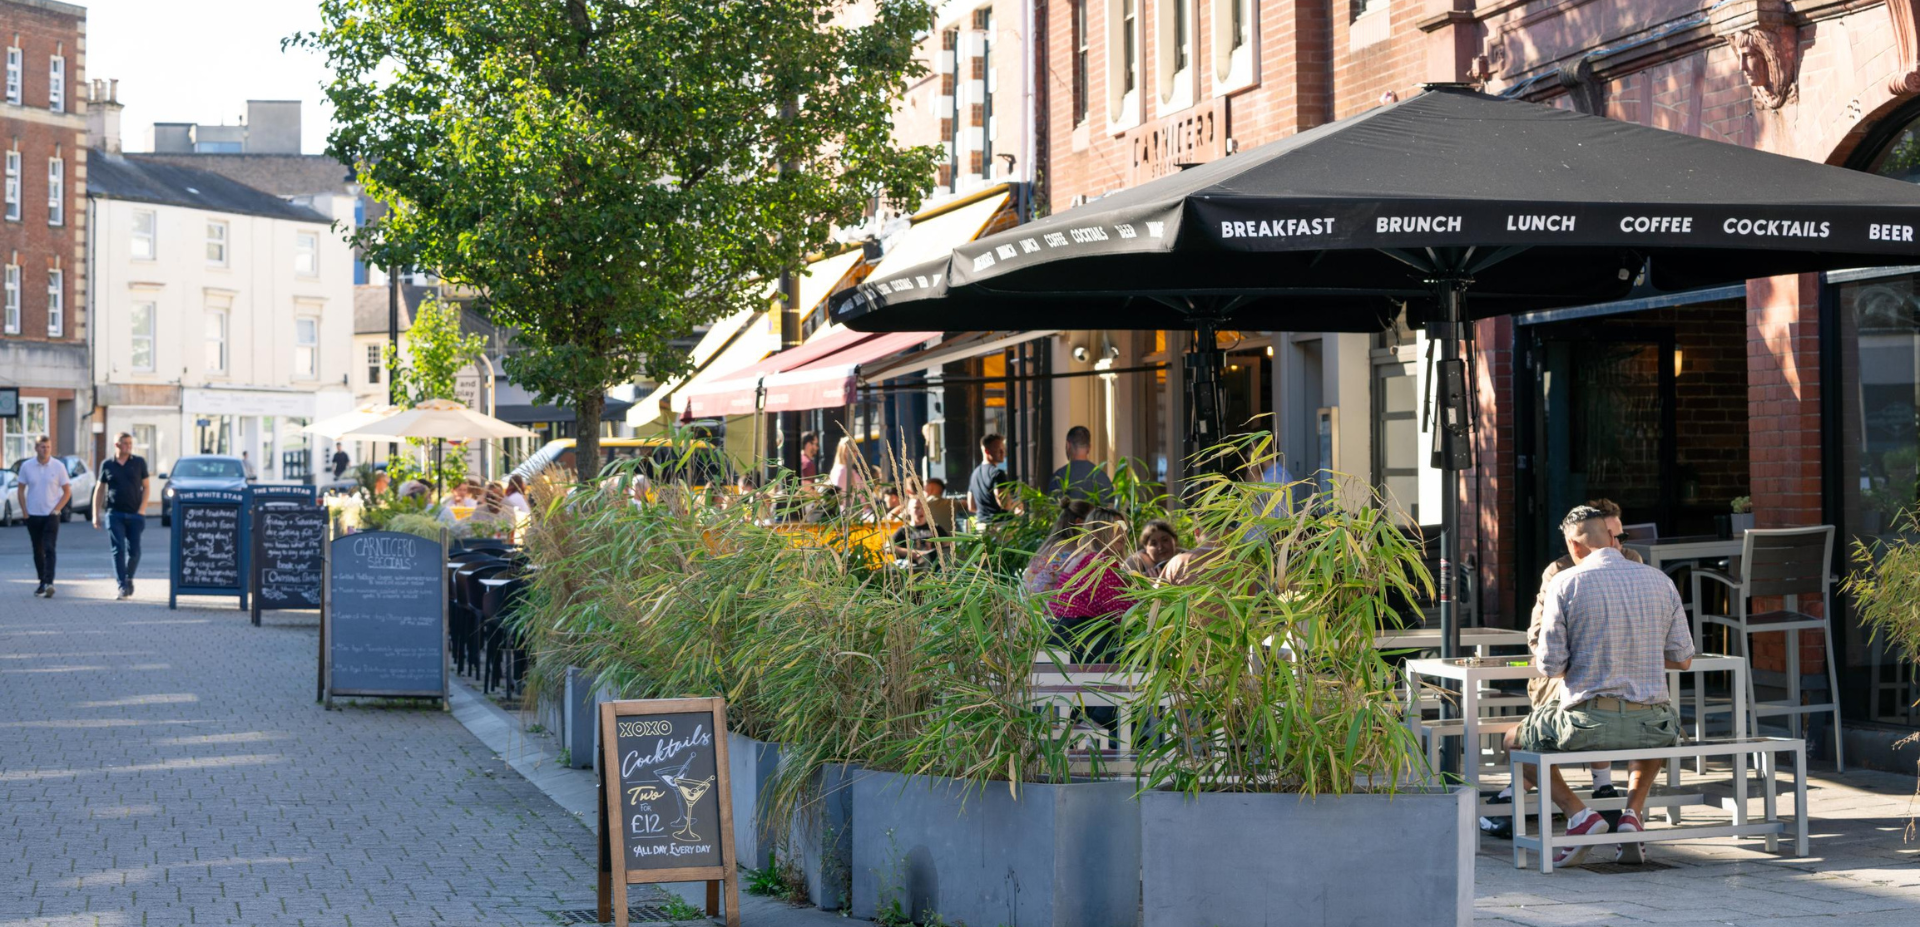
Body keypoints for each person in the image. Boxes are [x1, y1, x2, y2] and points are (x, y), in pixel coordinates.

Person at [1502, 504, 1694, 867]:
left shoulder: (1565, 583)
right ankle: (1632, 815)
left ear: (1574, 546)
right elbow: (1683, 659)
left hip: (1587, 723)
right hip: (1651, 722)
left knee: (1514, 740)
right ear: (1611, 537)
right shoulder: (1659, 580)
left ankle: (1579, 815)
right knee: (1656, 726)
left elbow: (1550, 666)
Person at [1485, 497, 1648, 839]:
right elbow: (1539, 640)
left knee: (1618, 697)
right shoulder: (1559, 573)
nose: (1616, 546)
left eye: (1621, 538)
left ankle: (1546, 797)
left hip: (1614, 688)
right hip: (1571, 679)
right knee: (1598, 691)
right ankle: (1598, 791)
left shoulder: (1634, 564)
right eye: (1611, 537)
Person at [1045, 507, 1132, 663]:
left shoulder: (1082, 557)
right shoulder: (1101, 563)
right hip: (1079, 634)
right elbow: (1122, 611)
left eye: (1124, 528)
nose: (1122, 534)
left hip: (1057, 633)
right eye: (1115, 529)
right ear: (1098, 532)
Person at [92, 432, 151, 599]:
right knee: (118, 550)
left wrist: (142, 509)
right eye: (125, 443)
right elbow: (99, 489)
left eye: (130, 443)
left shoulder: (139, 462)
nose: (129, 446)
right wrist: (95, 514)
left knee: (135, 552)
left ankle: (129, 577)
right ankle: (122, 586)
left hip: (135, 514)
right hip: (114, 514)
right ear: (117, 445)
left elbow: (146, 487)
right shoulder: (107, 464)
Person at [18, 436, 71, 597]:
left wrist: (57, 509)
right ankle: (42, 581)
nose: (45, 450)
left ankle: (49, 583)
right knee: (38, 549)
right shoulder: (27, 466)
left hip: (51, 514)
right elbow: (20, 489)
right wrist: (24, 511)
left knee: (49, 548)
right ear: (36, 448)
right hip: (33, 514)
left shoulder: (58, 466)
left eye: (48, 447)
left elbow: (67, 491)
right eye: (42, 447)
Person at [1050, 425, 1114, 502]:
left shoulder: (1059, 478)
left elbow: (1051, 506)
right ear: (1089, 447)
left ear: (1068, 445)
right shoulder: (1103, 478)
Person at [967, 433, 1010, 522]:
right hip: (1000, 525)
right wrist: (1016, 505)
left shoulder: (974, 474)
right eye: (999, 449)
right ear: (987, 451)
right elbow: (1004, 504)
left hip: (981, 525)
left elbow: (971, 506)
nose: (1003, 452)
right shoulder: (997, 473)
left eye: (1003, 449)